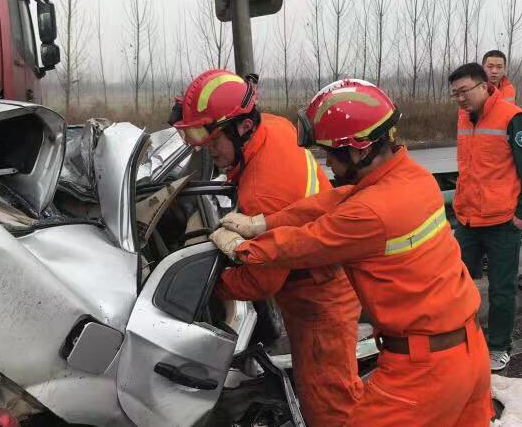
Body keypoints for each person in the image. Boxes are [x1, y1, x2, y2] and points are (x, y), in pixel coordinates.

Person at [211, 79, 492, 426]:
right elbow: (331, 201)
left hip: (423, 371)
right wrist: (263, 223)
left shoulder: (370, 213)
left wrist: (245, 249)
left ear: (359, 150)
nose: (327, 162)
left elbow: (306, 243)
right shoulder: (413, 179)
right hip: (468, 350)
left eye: (331, 152)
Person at [171, 69, 363, 426]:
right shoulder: (272, 126)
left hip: (318, 295)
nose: (209, 152)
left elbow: (262, 283)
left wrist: (209, 285)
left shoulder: (264, 191)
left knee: (328, 402)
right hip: (321, 271)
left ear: (241, 128)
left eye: (213, 141)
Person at [448, 63, 522, 371]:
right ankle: (461, 339)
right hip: (468, 220)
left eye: (464, 92)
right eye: (455, 94)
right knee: (456, 283)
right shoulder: (463, 117)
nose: (460, 99)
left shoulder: (512, 118)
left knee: (501, 290)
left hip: (503, 222)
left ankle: (499, 346)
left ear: (482, 86)